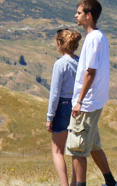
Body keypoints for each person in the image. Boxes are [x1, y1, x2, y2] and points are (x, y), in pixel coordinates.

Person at [66, 0, 117, 186]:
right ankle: (111, 183)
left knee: (77, 149)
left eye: (79, 12)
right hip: (94, 101)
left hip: (87, 103)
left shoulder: (92, 39)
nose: (76, 15)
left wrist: (79, 101)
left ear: (88, 15)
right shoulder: (99, 37)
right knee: (94, 146)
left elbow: (90, 72)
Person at [47, 28, 82, 186]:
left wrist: (50, 117)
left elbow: (55, 93)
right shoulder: (80, 62)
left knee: (57, 150)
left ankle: (64, 184)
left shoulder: (60, 64)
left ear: (60, 44)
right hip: (78, 105)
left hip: (63, 105)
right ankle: (75, 183)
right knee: (76, 150)